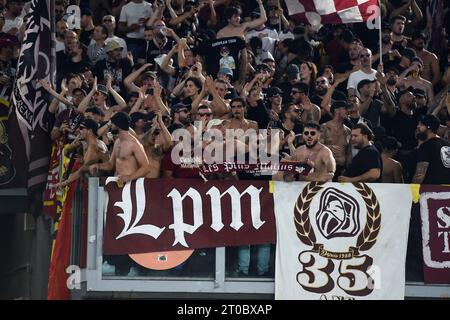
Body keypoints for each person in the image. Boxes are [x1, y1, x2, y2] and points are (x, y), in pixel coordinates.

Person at [89, 112, 150, 183]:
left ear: (118, 125)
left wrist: (129, 177)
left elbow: (146, 168)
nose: (111, 125)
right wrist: (98, 166)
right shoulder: (117, 142)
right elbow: (110, 165)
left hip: (129, 184)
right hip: (117, 182)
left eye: (112, 123)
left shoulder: (134, 144)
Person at [412, 115, 450, 184]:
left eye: (421, 124)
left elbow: (419, 176)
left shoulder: (427, 146)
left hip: (432, 191)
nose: (418, 126)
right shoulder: (447, 145)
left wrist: (410, 192)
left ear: (428, 127)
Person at [321, 101, 352, 179]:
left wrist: (348, 170)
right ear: (336, 110)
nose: (348, 111)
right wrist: (329, 147)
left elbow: (349, 153)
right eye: (345, 109)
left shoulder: (348, 131)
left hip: (342, 171)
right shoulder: (324, 127)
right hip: (325, 169)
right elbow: (317, 147)